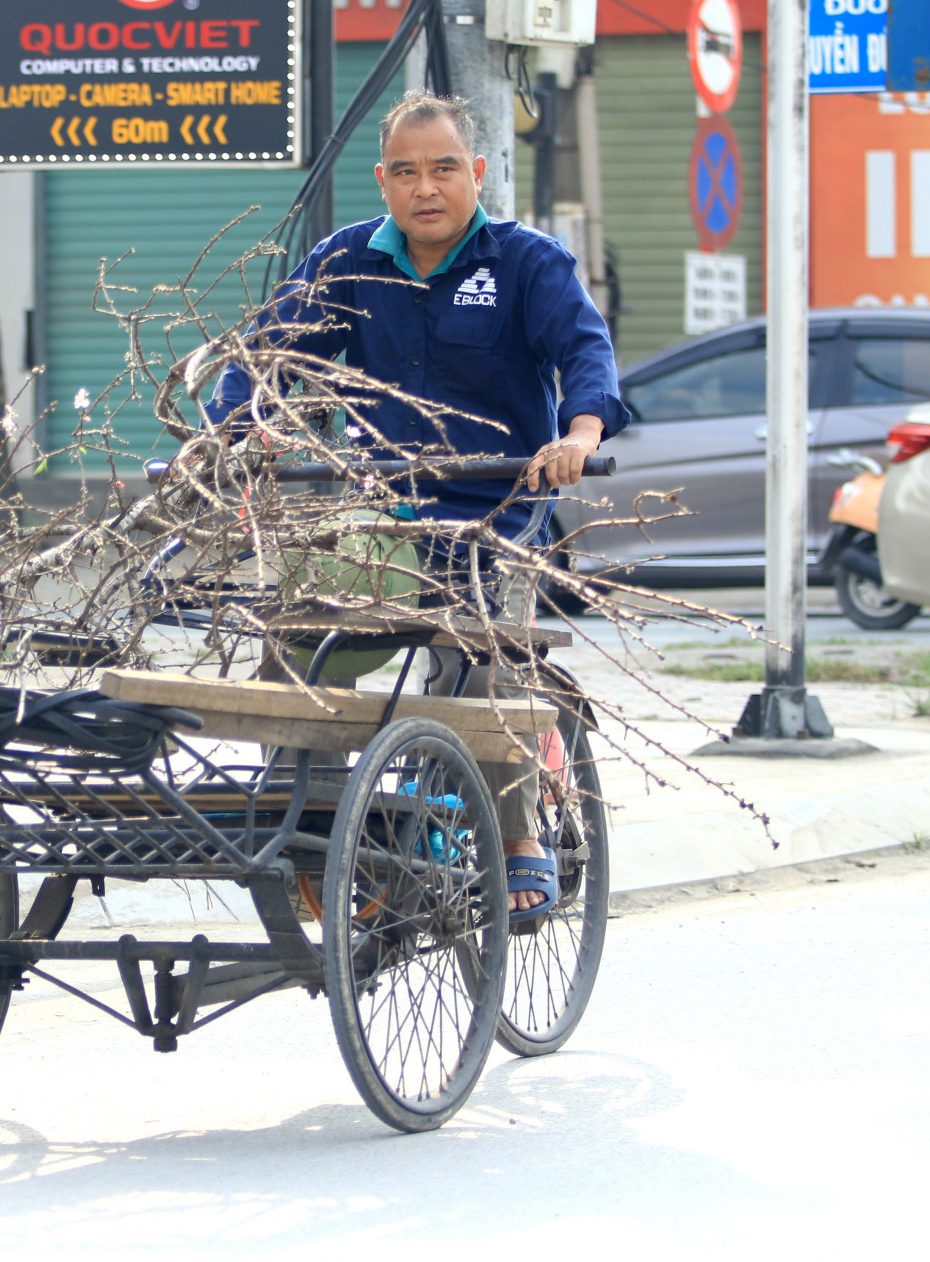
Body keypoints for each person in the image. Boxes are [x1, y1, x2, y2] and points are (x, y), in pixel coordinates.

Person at [205, 90, 630, 918]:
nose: (425, 188)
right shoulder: (349, 259)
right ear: (384, 181)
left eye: (443, 169)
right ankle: (317, 826)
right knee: (302, 642)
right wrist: (224, 433)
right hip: (380, 514)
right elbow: (265, 351)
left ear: (475, 172)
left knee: (483, 663)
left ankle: (518, 840)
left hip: (496, 509)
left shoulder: (525, 262)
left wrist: (578, 434)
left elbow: (584, 349)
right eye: (405, 172)